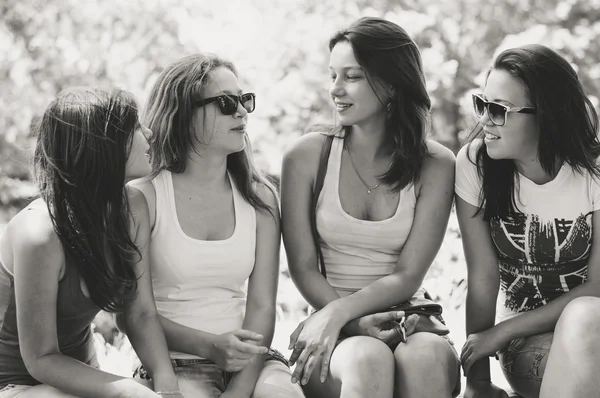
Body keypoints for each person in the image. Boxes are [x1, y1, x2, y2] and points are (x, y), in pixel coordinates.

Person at [281, 17, 460, 398]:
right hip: (332, 325)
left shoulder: (436, 164)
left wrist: (344, 313)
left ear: (392, 83)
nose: (336, 90)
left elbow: (409, 275)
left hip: (408, 318)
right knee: (367, 357)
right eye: (333, 76)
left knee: (424, 356)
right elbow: (303, 268)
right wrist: (344, 319)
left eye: (353, 77)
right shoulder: (307, 155)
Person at [130, 53, 304, 398]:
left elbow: (261, 307)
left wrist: (240, 388)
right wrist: (209, 347)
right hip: (172, 363)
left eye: (244, 100)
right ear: (183, 113)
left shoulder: (260, 197)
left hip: (252, 361)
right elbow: (135, 313)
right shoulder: (143, 198)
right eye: (225, 103)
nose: (241, 112)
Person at [0, 86, 181, 398]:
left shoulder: (133, 206)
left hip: (83, 378)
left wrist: (167, 387)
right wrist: (127, 390)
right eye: (135, 127)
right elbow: (41, 359)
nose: (149, 133)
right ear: (104, 145)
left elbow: (140, 313)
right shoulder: (40, 234)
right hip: (18, 385)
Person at [456, 44, 600, 398]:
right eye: (482, 105)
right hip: (528, 343)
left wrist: (500, 332)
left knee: (587, 315)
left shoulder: (593, 171)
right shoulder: (476, 165)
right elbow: (483, 278)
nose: (484, 121)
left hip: (591, 327)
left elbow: (598, 287)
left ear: (546, 115)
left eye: (499, 110)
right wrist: (478, 382)